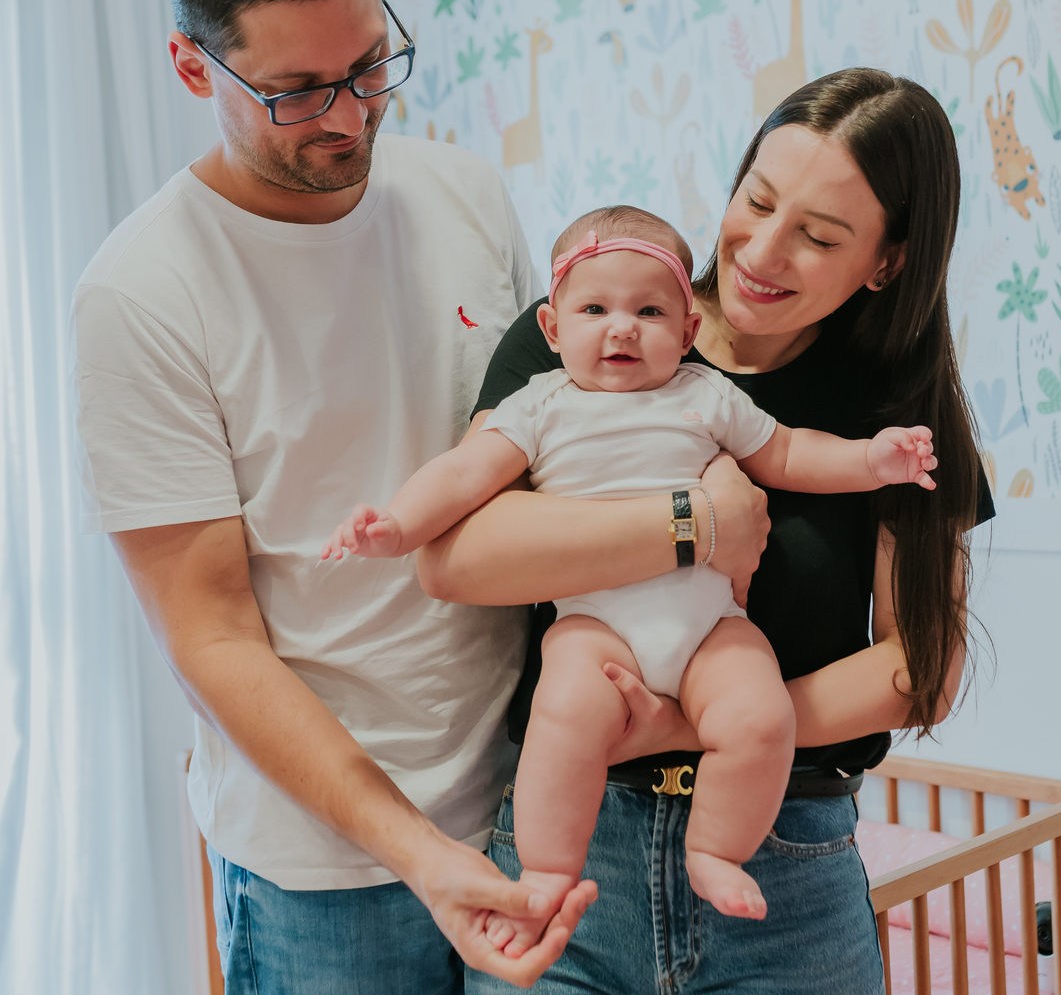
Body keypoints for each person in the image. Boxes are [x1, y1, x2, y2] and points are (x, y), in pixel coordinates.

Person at [70, 0, 602, 995]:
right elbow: (214, 638)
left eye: (373, 64)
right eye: (299, 90)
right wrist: (417, 853)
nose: (352, 116)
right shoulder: (143, 296)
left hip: (515, 815)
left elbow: (539, 453)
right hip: (323, 871)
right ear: (195, 69)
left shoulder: (464, 194)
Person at [419, 70, 995, 995]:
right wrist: (692, 521)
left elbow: (920, 667)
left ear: (889, 262)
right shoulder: (597, 316)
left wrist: (700, 722)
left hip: (780, 876)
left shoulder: (892, 413)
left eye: (820, 234)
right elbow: (460, 556)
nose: (762, 250)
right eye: (756, 199)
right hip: (571, 863)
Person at [321, 205, 937, 932]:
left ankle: (716, 850)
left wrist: (872, 460)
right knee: (564, 716)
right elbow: (461, 476)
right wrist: (396, 525)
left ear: (688, 331)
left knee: (760, 714)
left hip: (710, 624)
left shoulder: (707, 395)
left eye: (649, 311)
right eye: (595, 309)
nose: (622, 328)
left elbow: (790, 452)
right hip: (596, 626)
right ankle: (548, 871)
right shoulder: (539, 405)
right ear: (552, 328)